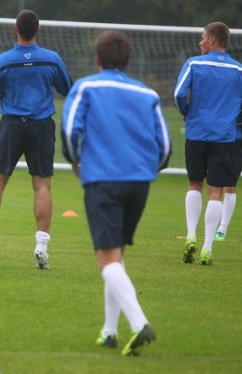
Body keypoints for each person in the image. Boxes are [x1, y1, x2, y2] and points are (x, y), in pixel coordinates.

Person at [62, 30, 171, 356]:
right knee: (117, 255)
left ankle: (139, 323)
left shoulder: (87, 86)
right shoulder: (147, 93)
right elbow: (164, 147)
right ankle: (109, 331)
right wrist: (147, 169)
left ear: (97, 60)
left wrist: (75, 159)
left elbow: (69, 130)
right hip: (139, 183)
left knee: (107, 260)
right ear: (128, 61)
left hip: (103, 179)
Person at [0, 9, 72, 268]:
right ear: (38, 30)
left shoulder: (2, 61)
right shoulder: (51, 59)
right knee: (42, 185)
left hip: (12, 125)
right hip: (41, 127)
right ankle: (41, 247)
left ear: (15, 30)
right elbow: (66, 89)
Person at [174, 21, 242, 265]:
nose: (200, 42)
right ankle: (208, 248)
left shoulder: (194, 63)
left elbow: (178, 94)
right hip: (224, 138)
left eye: (203, 38)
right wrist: (230, 122)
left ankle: (190, 236)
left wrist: (188, 112)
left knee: (194, 184)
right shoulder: (239, 70)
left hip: (196, 134)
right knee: (216, 191)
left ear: (212, 40)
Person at [215, 118, 242, 241]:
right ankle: (211, 226)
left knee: (230, 185)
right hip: (217, 141)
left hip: (237, 144)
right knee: (215, 185)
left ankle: (222, 228)